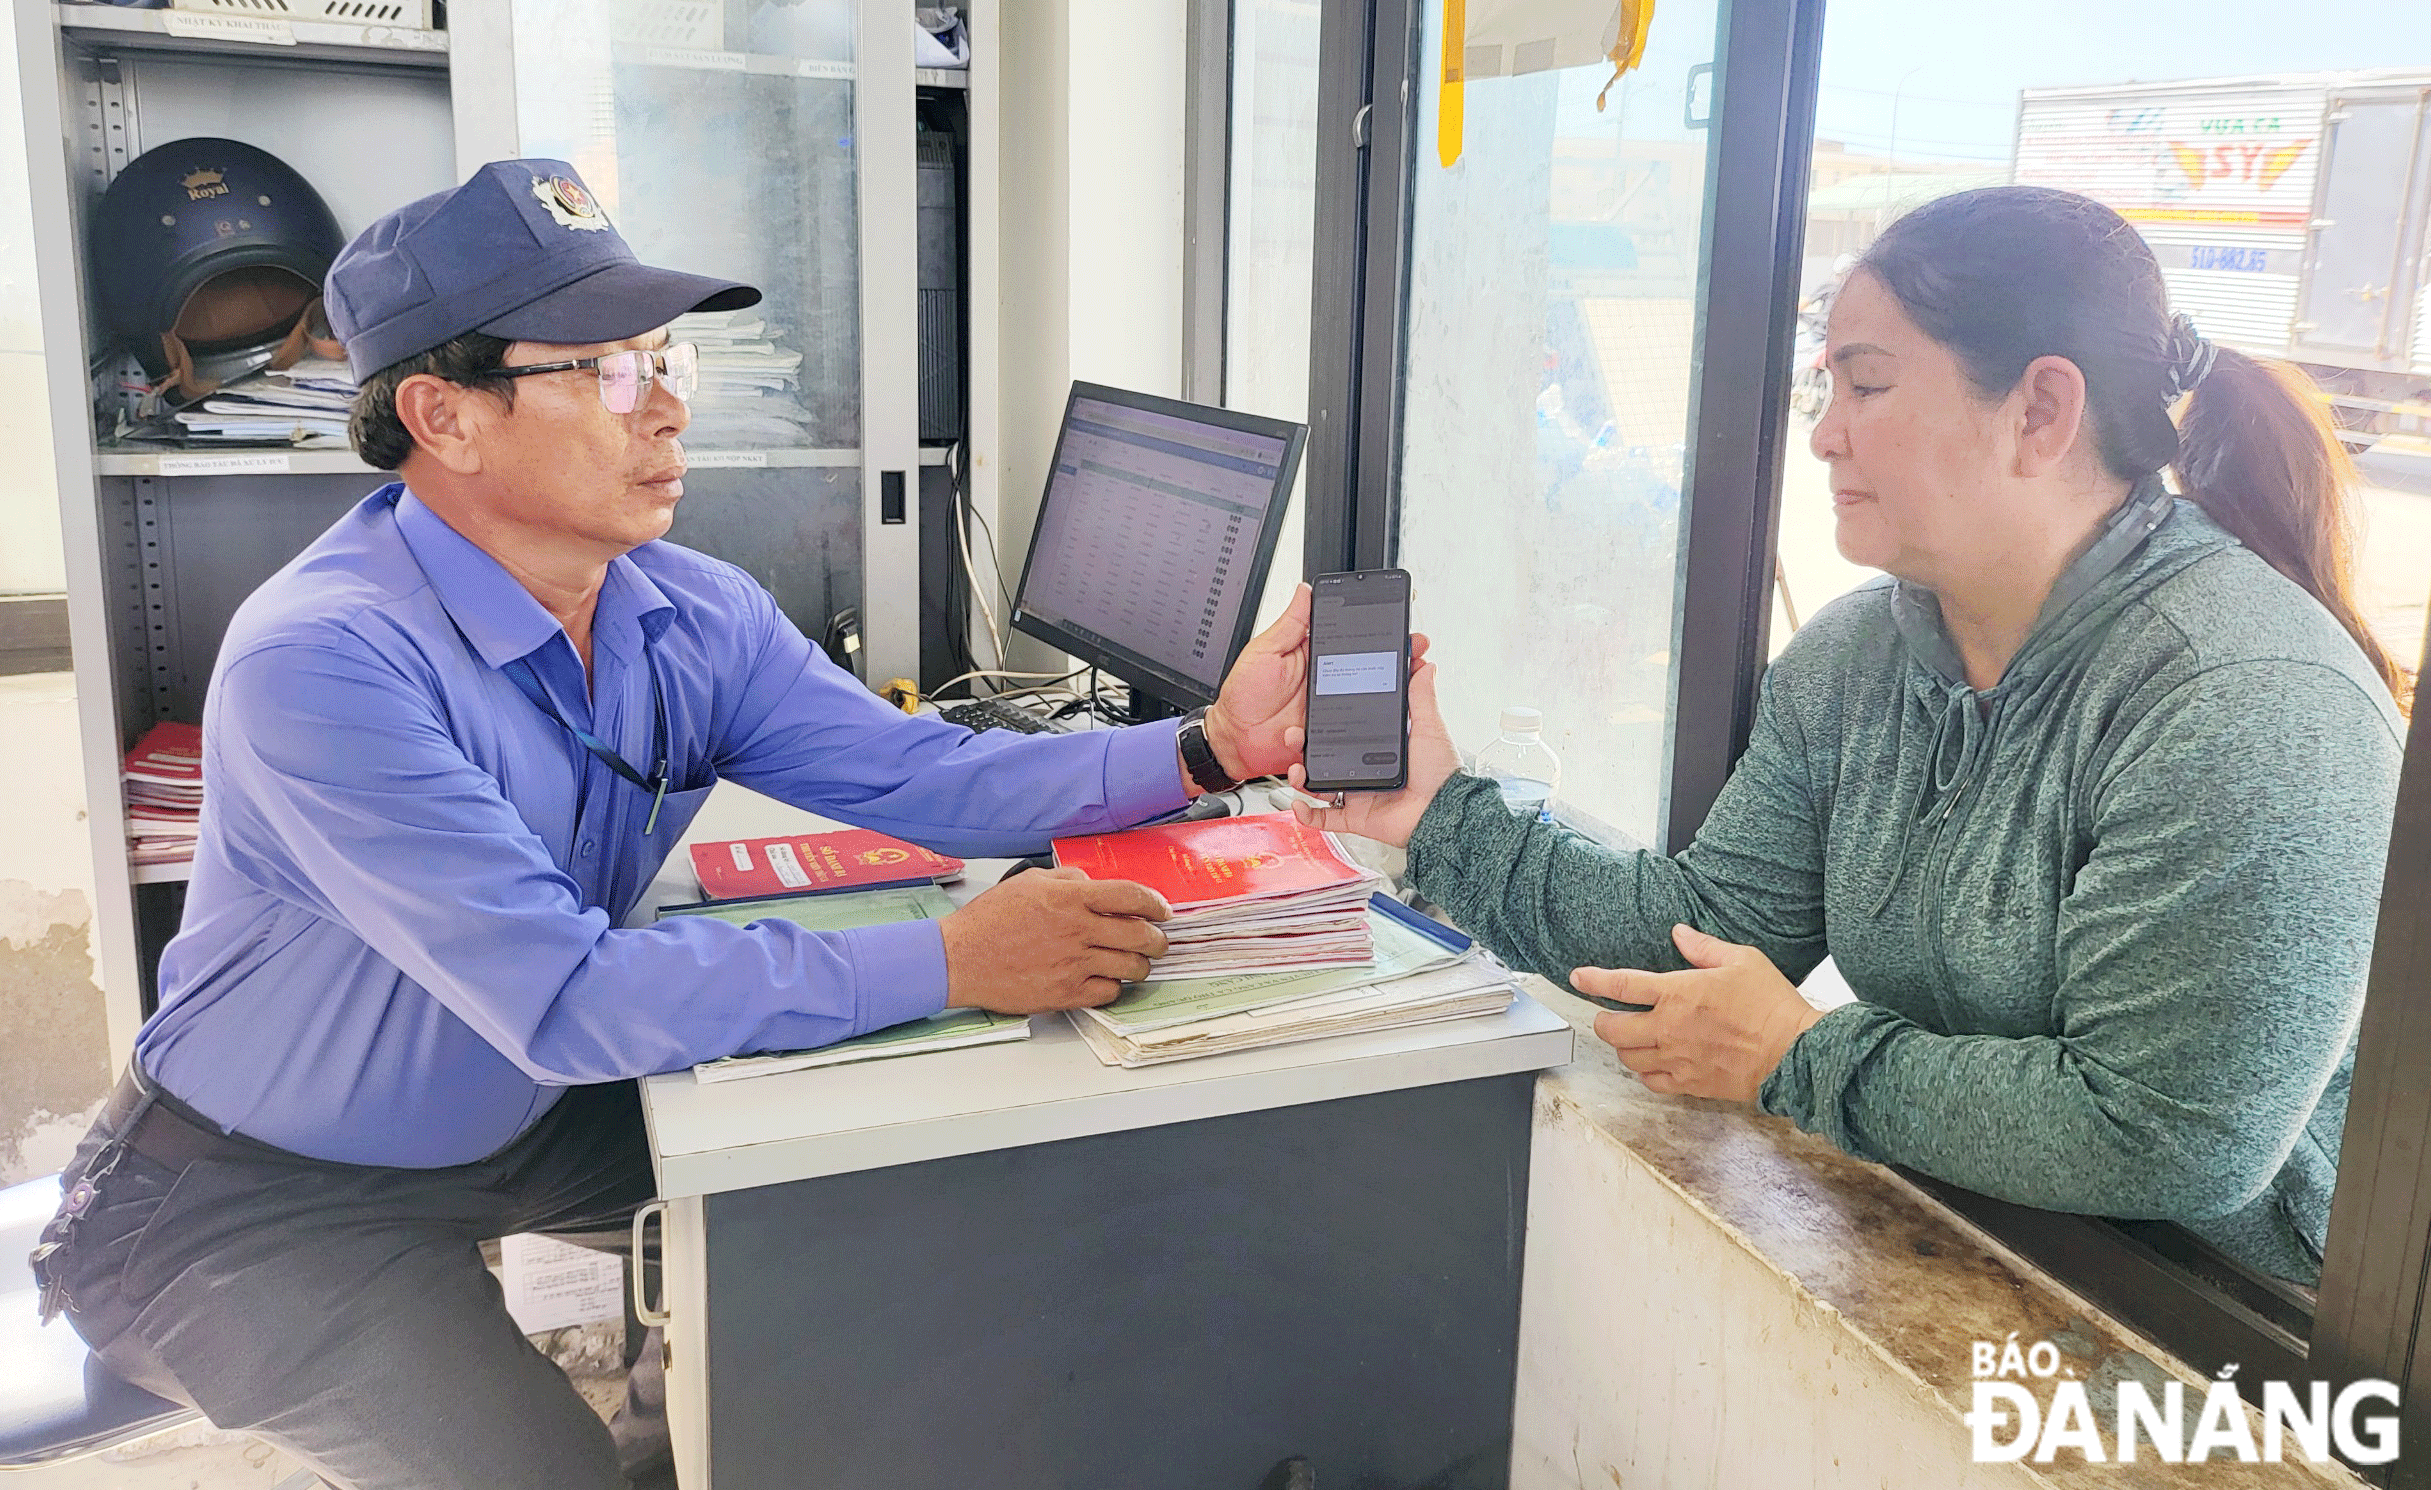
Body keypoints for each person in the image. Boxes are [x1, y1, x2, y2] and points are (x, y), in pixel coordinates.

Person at [33, 159, 1318, 1490]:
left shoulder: (686, 610)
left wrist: (1206, 748)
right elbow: (567, 997)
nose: (663, 412)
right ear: (443, 415)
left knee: (837, 1193)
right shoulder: (324, 661)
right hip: (249, 1199)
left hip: (503, 1122)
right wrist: (952, 960)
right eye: (600, 370)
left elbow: (922, 777)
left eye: (665, 360)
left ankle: (679, 1444)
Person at [1295, 185, 2406, 1284]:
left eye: (1866, 385)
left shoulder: (2240, 697)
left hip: (2231, 1336)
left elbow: (2172, 1138)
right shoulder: (1856, 656)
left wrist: (1796, 1056)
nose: (1822, 437)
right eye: (1826, 388)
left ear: (2040, 413)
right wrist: (1438, 812)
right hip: (1979, 1236)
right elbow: (1703, 933)